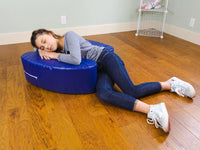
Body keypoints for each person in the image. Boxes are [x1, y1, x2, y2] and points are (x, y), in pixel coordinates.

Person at [30, 29, 196, 133]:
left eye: (45, 41)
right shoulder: (59, 49)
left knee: (132, 90)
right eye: (42, 47)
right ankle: (153, 109)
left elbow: (75, 60)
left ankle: (171, 83)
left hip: (108, 59)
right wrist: (39, 51)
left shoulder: (69, 36)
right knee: (104, 94)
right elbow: (44, 51)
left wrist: (54, 55)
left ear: (51, 33)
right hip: (100, 69)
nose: (46, 47)